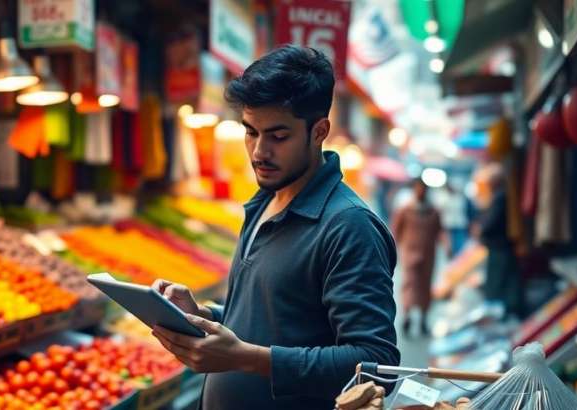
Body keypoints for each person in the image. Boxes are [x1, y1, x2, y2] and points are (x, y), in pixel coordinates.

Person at [149, 45, 400, 410]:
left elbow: (378, 365)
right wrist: (202, 317)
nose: (258, 152)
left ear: (319, 131)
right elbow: (276, 320)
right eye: (250, 132)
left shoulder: (349, 226)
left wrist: (246, 358)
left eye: (278, 136)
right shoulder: (265, 201)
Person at [390, 178, 443, 334]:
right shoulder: (405, 210)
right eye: (419, 189)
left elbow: (440, 230)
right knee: (410, 284)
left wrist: (447, 245)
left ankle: (424, 319)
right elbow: (395, 231)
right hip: (409, 253)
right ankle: (407, 316)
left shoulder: (434, 211)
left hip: (428, 254)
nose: (421, 192)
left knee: (425, 285)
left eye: (424, 189)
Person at [477, 164, 524, 319]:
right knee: (506, 279)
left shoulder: (500, 197)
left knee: (499, 281)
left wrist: (481, 230)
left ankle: (503, 314)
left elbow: (491, 222)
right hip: (503, 245)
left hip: (500, 246)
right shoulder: (502, 196)